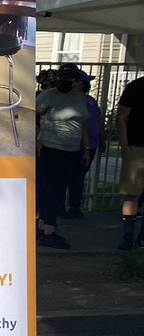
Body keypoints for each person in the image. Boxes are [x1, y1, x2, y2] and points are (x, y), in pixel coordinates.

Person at [35, 63, 89, 249]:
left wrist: (86, 149)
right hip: (51, 150)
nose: (64, 81)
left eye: (69, 78)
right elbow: (33, 116)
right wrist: (35, 139)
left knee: (55, 190)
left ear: (76, 81)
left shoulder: (81, 98)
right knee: (53, 191)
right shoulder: (48, 96)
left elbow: (83, 124)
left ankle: (42, 228)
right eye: (61, 77)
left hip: (72, 151)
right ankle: (49, 232)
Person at [64, 71, 104, 218]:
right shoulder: (68, 100)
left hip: (90, 145)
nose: (87, 84)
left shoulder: (91, 100)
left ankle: (75, 206)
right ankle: (60, 208)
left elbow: (99, 120)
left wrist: (102, 139)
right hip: (72, 146)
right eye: (84, 81)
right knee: (66, 177)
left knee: (79, 177)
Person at [115, 73, 144, 249]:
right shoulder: (136, 87)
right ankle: (128, 237)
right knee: (131, 193)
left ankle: (141, 237)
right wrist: (125, 146)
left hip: (134, 147)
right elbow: (121, 117)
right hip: (136, 147)